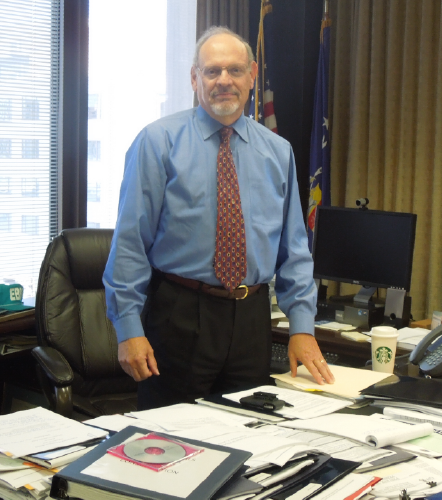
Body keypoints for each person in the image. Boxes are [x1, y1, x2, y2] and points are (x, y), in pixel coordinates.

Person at [103, 26, 334, 410]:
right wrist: (128, 329)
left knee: (249, 443)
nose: (224, 81)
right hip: (179, 315)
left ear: (252, 76)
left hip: (251, 320)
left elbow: (294, 249)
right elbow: (130, 244)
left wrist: (302, 328)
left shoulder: (278, 151)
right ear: (195, 78)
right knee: (170, 445)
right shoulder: (157, 142)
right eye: (212, 71)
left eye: (234, 70)